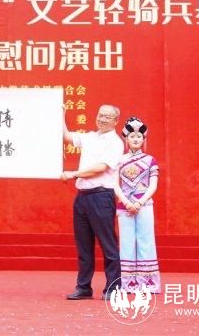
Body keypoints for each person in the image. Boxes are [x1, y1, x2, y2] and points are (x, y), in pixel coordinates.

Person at [61, 104, 124, 300]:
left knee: (108, 245)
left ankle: (113, 288)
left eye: (107, 116)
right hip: (82, 197)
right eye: (100, 115)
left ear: (115, 121)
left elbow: (101, 167)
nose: (102, 119)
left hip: (101, 197)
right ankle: (83, 287)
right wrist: (60, 113)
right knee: (84, 245)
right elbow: (66, 136)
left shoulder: (115, 142)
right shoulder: (89, 137)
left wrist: (73, 174)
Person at [113, 117, 161, 293]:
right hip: (124, 205)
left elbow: (153, 186)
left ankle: (147, 283)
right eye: (132, 136)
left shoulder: (150, 160)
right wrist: (127, 202)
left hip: (144, 204)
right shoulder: (119, 160)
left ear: (143, 139)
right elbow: (115, 184)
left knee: (145, 240)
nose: (135, 139)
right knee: (126, 242)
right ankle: (128, 283)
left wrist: (139, 202)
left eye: (139, 136)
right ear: (126, 139)